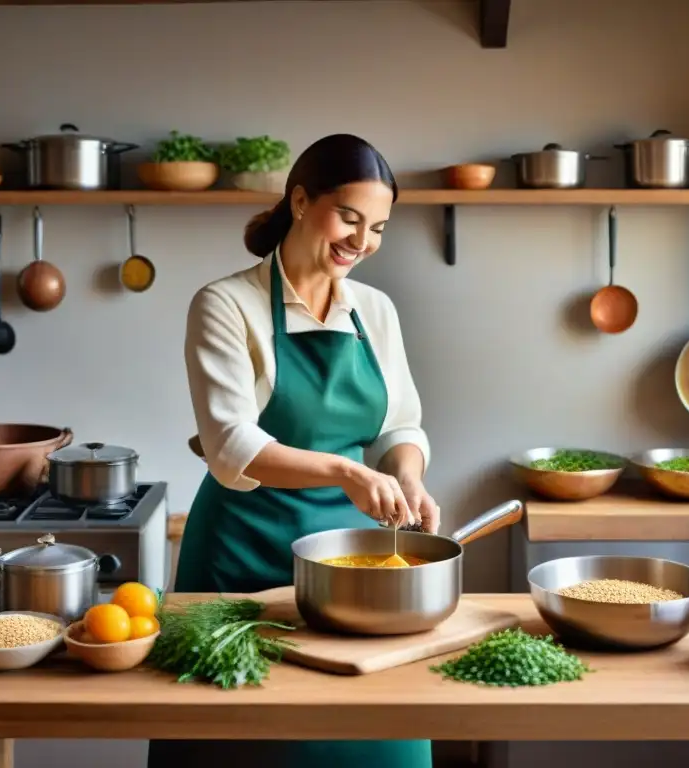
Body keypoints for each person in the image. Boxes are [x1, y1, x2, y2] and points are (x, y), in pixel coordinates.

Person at [147, 134, 436, 768]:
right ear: (301, 201)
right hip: (240, 558)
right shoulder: (227, 304)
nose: (363, 241)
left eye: (379, 227)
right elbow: (232, 445)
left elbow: (400, 426)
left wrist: (407, 477)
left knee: (378, 739)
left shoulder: (376, 311)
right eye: (350, 218)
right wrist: (345, 470)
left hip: (351, 563)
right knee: (235, 744)